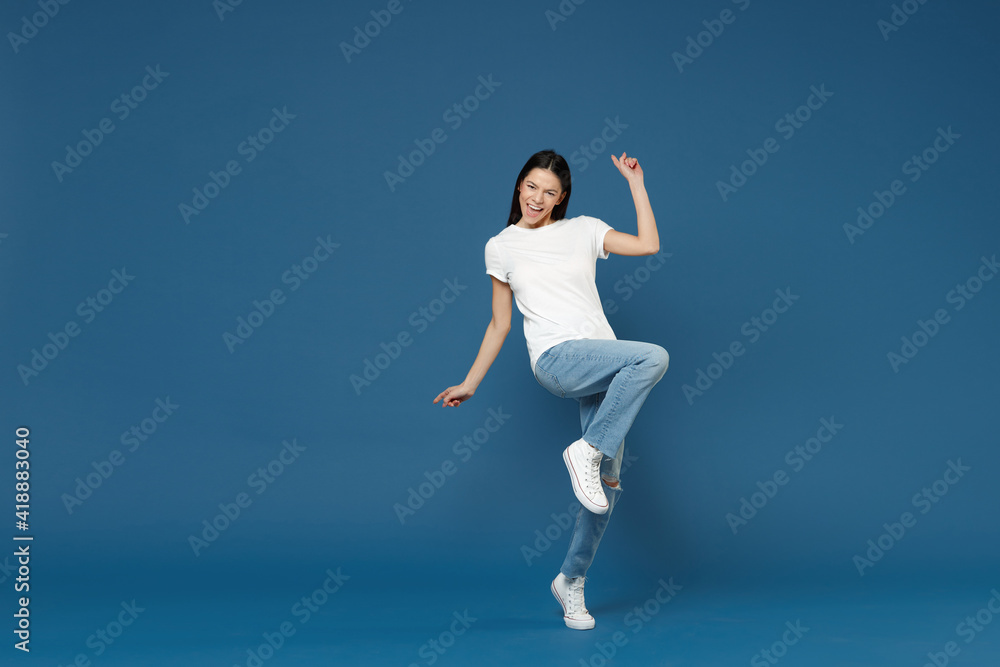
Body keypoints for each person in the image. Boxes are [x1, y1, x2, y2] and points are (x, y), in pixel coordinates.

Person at [432, 148, 669, 630]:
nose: (538, 198)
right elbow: (500, 325)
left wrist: (636, 184)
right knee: (653, 355)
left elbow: (647, 245)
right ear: (520, 185)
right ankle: (586, 451)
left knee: (605, 487)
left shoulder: (583, 229)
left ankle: (571, 581)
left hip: (605, 366)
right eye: (532, 186)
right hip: (557, 358)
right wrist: (471, 382)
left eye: (550, 192)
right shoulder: (500, 246)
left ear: (562, 200)